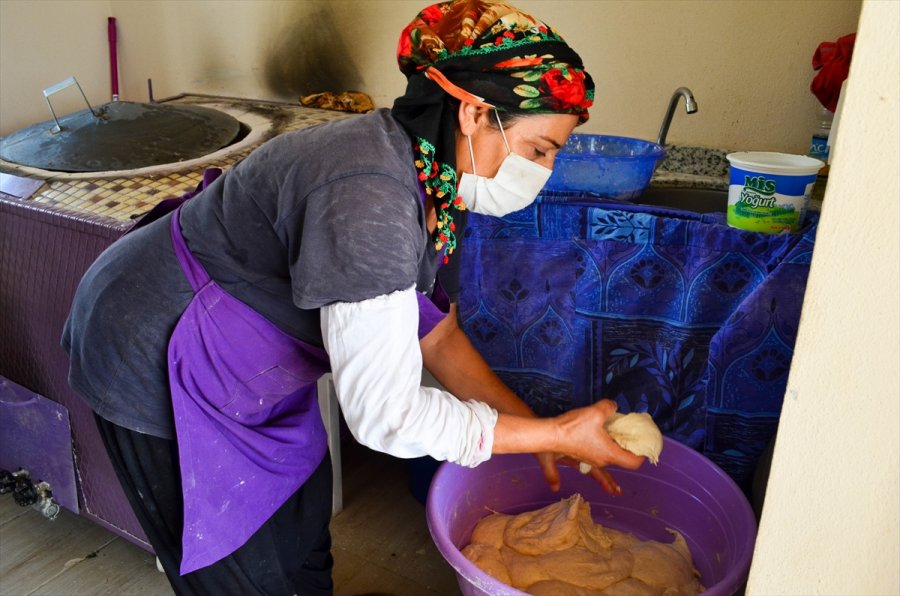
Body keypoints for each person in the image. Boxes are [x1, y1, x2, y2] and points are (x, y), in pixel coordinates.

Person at [61, 1, 644, 594]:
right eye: (539, 150)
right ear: (473, 113)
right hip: (151, 340)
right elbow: (386, 416)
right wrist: (552, 436)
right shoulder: (369, 196)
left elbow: (434, 332)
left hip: (250, 357)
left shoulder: (433, 175)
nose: (544, 171)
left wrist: (536, 432)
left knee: (302, 531)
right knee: (239, 570)